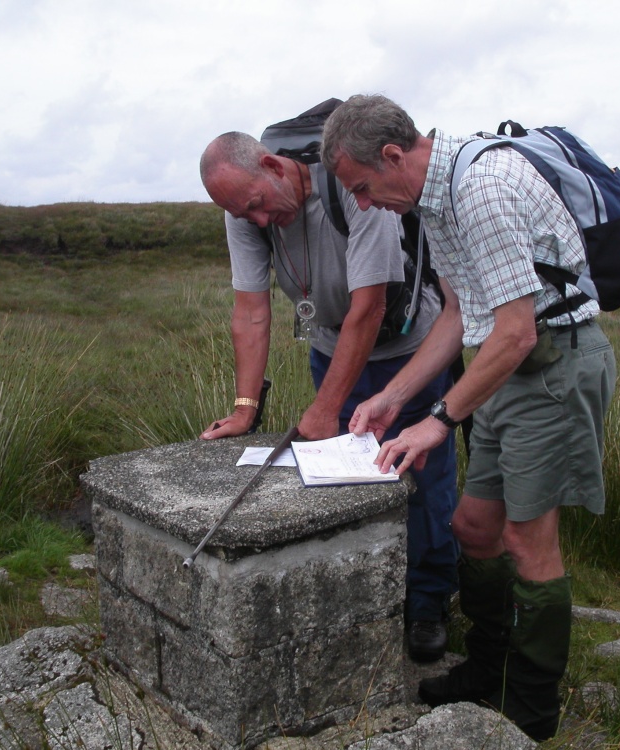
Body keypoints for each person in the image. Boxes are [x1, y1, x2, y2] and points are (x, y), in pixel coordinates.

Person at [321, 95, 617, 741]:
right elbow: (460, 316)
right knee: (473, 528)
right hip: (508, 370)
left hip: (556, 368)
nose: (363, 206)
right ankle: (488, 667)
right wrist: (393, 396)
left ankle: (532, 711)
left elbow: (515, 332)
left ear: (392, 156)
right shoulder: (434, 201)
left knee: (528, 543)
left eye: (362, 188)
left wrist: (438, 420)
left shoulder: (481, 188)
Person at [198, 131, 459, 661]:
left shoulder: (350, 187)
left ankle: (428, 600)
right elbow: (250, 311)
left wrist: (324, 409)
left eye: (258, 205)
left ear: (273, 165)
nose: (259, 222)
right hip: (331, 348)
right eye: (244, 215)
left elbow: (369, 306)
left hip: (408, 347)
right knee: (345, 477)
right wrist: (245, 409)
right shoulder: (243, 209)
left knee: (420, 475)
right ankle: (364, 591)